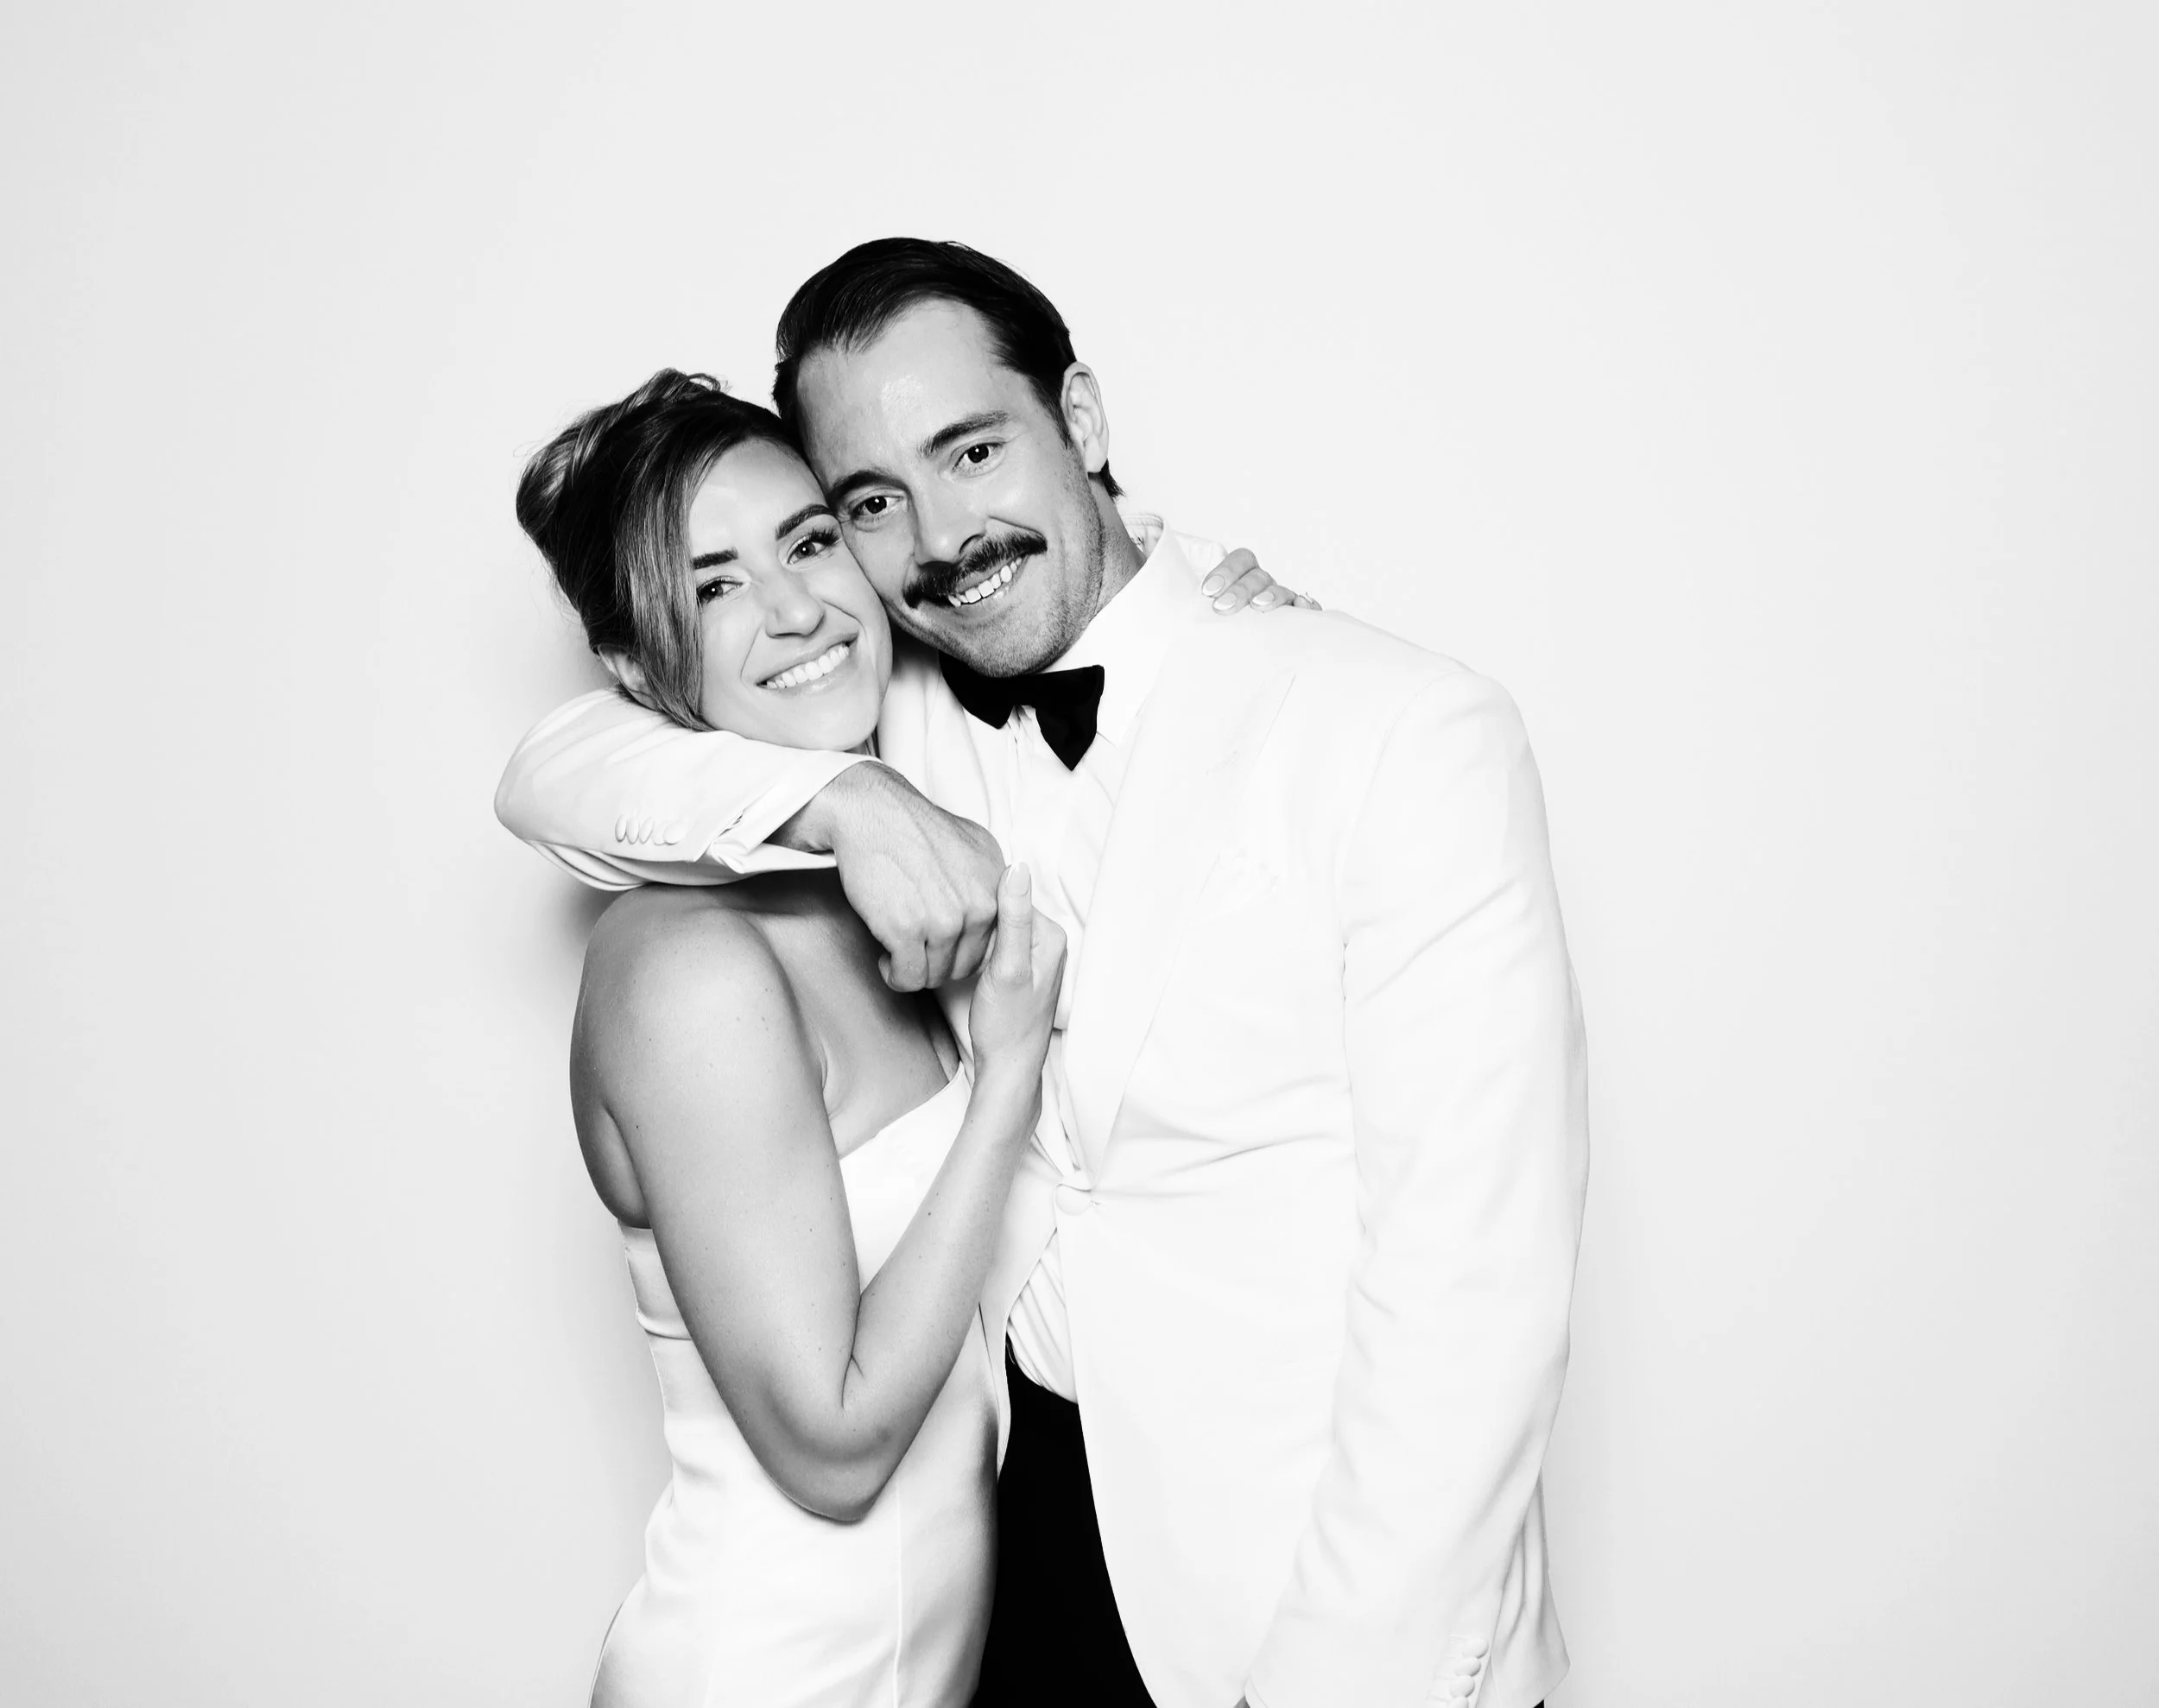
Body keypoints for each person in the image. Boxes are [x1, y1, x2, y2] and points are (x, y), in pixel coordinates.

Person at [499, 242, 1588, 1708]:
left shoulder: (1390, 730)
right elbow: (561, 763)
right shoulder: (888, 710)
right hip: (1022, 1594)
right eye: (873, 502)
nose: (941, 535)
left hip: (1301, 1609)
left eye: (972, 449)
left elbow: (1471, 1300)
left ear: (1080, 419)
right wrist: (848, 806)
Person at [516, 370, 1299, 1707]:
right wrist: (1003, 1083)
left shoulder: (898, 851)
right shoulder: (684, 969)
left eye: (811, 542)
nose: (794, 607)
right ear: (638, 666)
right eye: (712, 586)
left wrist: (1222, 604)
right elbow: (830, 1445)